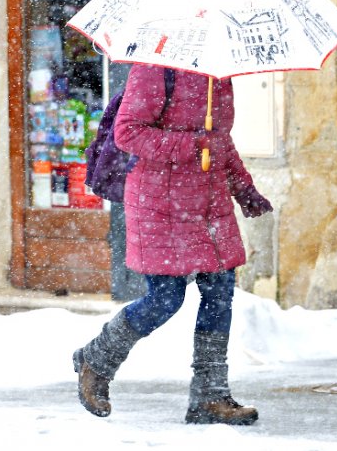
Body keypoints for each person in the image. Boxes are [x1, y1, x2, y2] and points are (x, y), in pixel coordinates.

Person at [72, 64, 272, 425]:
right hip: (161, 202)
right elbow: (128, 133)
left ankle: (210, 398)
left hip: (209, 205)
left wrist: (244, 189)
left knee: (220, 293)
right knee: (166, 299)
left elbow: (221, 142)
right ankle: (96, 360)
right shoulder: (157, 69)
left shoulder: (220, 77)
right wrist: (191, 145)